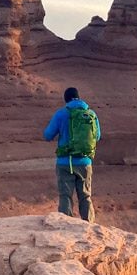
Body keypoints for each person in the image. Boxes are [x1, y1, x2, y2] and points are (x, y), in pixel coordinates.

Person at [43, 87, 101, 222]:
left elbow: (47, 135)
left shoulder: (61, 113)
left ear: (66, 99)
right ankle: (89, 225)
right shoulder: (91, 114)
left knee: (65, 196)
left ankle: (66, 225)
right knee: (85, 196)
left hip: (65, 162)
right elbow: (97, 136)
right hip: (85, 162)